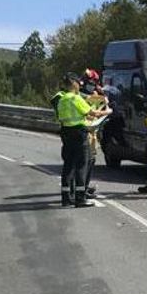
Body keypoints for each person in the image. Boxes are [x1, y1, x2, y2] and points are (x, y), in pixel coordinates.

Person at [52, 73, 102, 207]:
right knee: (81, 165)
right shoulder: (76, 98)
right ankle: (80, 198)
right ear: (73, 84)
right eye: (78, 83)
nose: (80, 85)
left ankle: (66, 198)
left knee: (68, 166)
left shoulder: (61, 99)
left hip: (66, 133)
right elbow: (92, 113)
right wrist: (107, 112)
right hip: (79, 133)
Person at [80, 69, 111, 199]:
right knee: (84, 161)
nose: (93, 85)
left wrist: (101, 94)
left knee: (91, 159)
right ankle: (81, 189)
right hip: (84, 131)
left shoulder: (96, 93)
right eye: (91, 82)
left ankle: (84, 187)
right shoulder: (80, 95)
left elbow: (106, 102)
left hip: (93, 131)